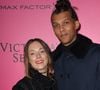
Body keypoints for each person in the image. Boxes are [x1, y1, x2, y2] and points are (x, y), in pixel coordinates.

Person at [51, 0, 100, 90]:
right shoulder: (51, 60)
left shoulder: (97, 53)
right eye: (56, 25)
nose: (61, 29)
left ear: (76, 24)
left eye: (66, 23)